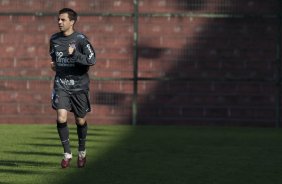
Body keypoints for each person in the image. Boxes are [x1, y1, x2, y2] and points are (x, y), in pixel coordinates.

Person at [49, 8, 96, 168]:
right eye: (58, 19)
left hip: (79, 86)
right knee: (61, 117)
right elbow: (54, 57)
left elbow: (92, 60)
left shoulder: (81, 40)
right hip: (61, 84)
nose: (59, 22)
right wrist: (54, 66)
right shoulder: (54, 39)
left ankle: (82, 151)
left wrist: (75, 54)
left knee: (80, 120)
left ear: (72, 22)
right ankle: (67, 154)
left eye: (63, 20)